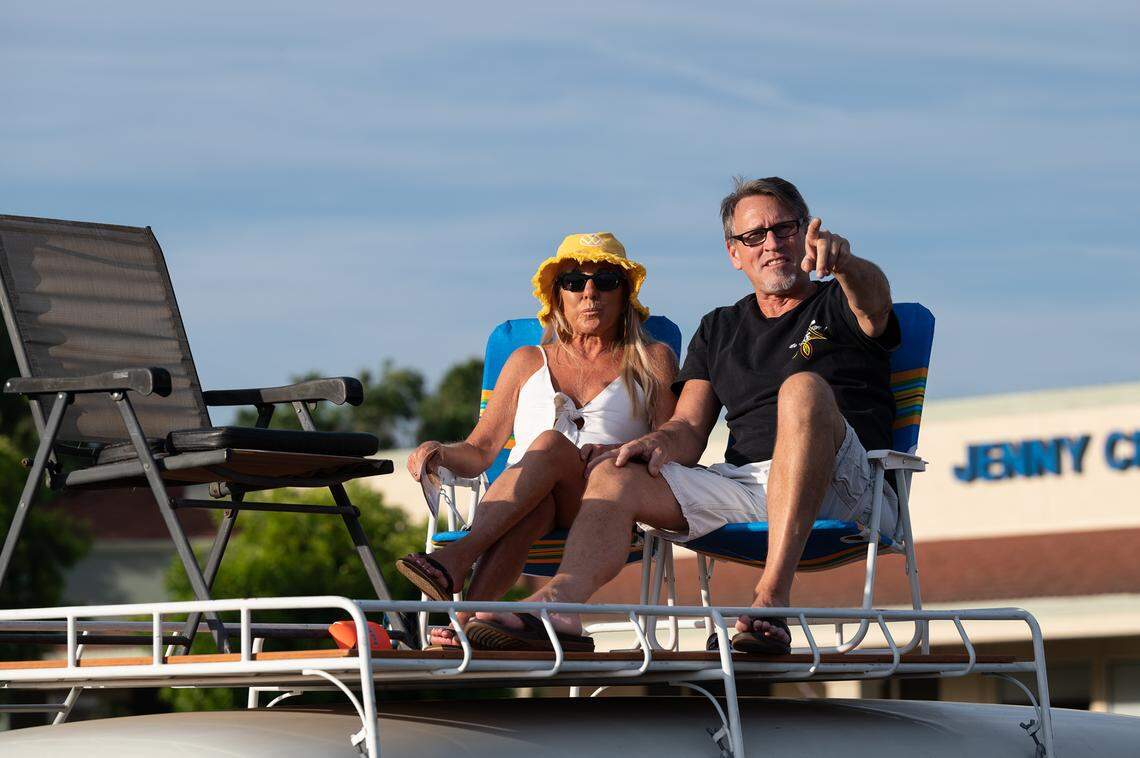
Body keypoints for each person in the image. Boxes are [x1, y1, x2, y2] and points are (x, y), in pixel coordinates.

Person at [465, 177, 900, 654]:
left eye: (784, 229)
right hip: (747, 484)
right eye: (753, 236)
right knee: (615, 474)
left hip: (847, 488)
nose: (771, 244)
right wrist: (650, 444)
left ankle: (771, 602)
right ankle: (556, 609)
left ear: (804, 234)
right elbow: (688, 429)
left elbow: (874, 304)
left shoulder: (840, 298)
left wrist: (847, 265)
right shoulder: (719, 327)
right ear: (734, 253)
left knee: (802, 388)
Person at [397, 232, 677, 649]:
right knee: (535, 498)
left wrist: (620, 452)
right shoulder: (527, 360)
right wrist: (438, 452)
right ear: (558, 296)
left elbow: (669, 442)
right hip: (535, 498)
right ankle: (470, 620)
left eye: (605, 281)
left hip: (610, 501)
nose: (589, 293)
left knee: (548, 443)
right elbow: (480, 450)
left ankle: (457, 560)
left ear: (625, 293)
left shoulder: (652, 358)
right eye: (574, 282)